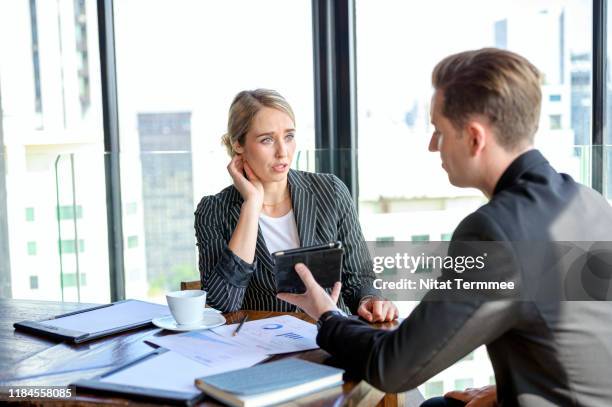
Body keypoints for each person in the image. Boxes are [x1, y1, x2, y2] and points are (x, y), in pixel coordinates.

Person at [277, 48, 612, 406]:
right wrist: (507, 392)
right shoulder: (587, 201)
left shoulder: (495, 231)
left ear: (474, 137)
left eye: (439, 131)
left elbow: (395, 366)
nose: (432, 144)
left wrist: (327, 315)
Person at [194, 89, 398, 321]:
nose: (283, 152)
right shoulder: (214, 210)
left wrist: (369, 300)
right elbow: (223, 304)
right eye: (267, 140)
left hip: (332, 337)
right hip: (262, 348)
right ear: (238, 144)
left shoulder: (330, 191)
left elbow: (359, 277)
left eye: (289, 136)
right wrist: (251, 206)